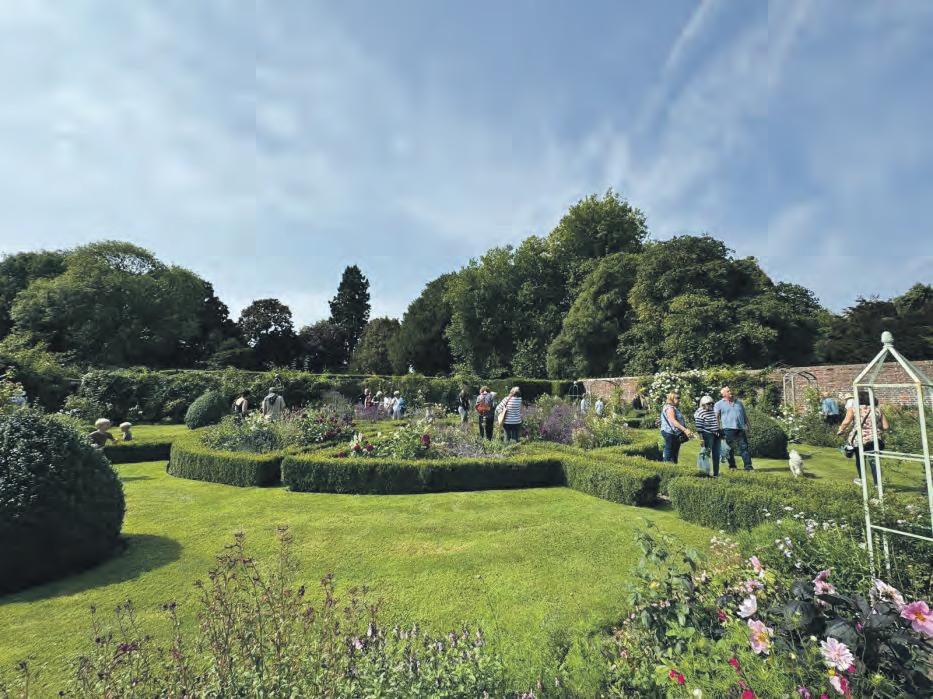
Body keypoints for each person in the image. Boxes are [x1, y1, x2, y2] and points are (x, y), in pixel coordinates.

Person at [838, 390, 889, 486]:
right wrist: (875, 428)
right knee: (874, 461)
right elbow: (886, 426)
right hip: (875, 439)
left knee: (860, 459)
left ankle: (862, 480)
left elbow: (846, 422)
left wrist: (841, 430)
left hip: (859, 439)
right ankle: (877, 484)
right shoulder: (877, 410)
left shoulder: (853, 409)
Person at [715, 386, 753, 471]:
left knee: (744, 448)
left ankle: (748, 467)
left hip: (740, 429)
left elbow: (744, 415)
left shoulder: (739, 403)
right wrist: (717, 429)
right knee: (729, 449)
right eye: (728, 391)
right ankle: (732, 466)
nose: (730, 392)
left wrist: (748, 426)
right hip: (728, 429)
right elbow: (716, 417)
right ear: (723, 394)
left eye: (730, 390)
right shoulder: (719, 404)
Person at [660, 392, 692, 463]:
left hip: (674, 433)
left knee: (674, 453)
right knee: (669, 452)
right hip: (670, 432)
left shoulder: (673, 408)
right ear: (671, 398)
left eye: (679, 398)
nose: (679, 399)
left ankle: (673, 466)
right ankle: (666, 466)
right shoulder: (669, 408)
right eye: (677, 398)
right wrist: (685, 430)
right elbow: (673, 421)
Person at [694, 395, 721, 477]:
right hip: (707, 434)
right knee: (705, 454)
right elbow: (699, 428)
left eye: (712, 403)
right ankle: (704, 473)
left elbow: (716, 421)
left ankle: (716, 474)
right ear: (703, 404)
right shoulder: (699, 412)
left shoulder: (712, 410)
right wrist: (701, 439)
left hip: (716, 434)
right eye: (709, 403)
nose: (711, 405)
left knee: (716, 455)